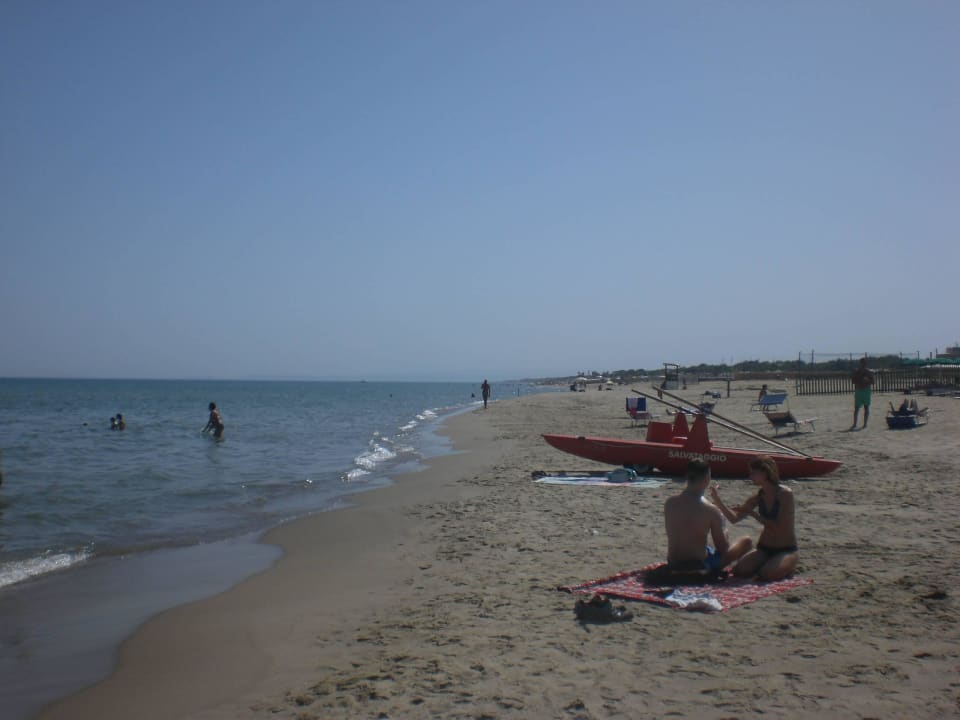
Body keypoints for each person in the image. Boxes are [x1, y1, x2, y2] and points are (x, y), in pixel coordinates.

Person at [709, 456, 798, 581]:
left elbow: (779, 527)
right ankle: (765, 563)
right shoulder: (759, 496)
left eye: (753, 473)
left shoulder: (785, 494)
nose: (750, 476)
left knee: (769, 574)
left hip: (785, 548)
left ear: (765, 473)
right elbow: (734, 519)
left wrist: (752, 513)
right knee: (740, 571)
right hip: (764, 548)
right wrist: (718, 501)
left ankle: (788, 564)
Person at [663, 460, 752, 575]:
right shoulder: (710, 510)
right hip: (698, 565)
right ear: (707, 479)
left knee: (704, 546)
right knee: (746, 541)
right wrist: (724, 529)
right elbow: (723, 549)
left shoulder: (670, 503)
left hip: (673, 563)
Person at [850, 358, 875, 429]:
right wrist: (857, 378)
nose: (863, 364)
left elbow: (873, 382)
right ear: (860, 363)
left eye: (864, 363)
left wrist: (867, 380)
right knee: (856, 408)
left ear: (865, 364)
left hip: (866, 390)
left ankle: (865, 424)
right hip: (859, 391)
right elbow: (853, 381)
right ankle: (855, 424)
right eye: (862, 363)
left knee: (866, 408)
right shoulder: (857, 371)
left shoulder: (869, 372)